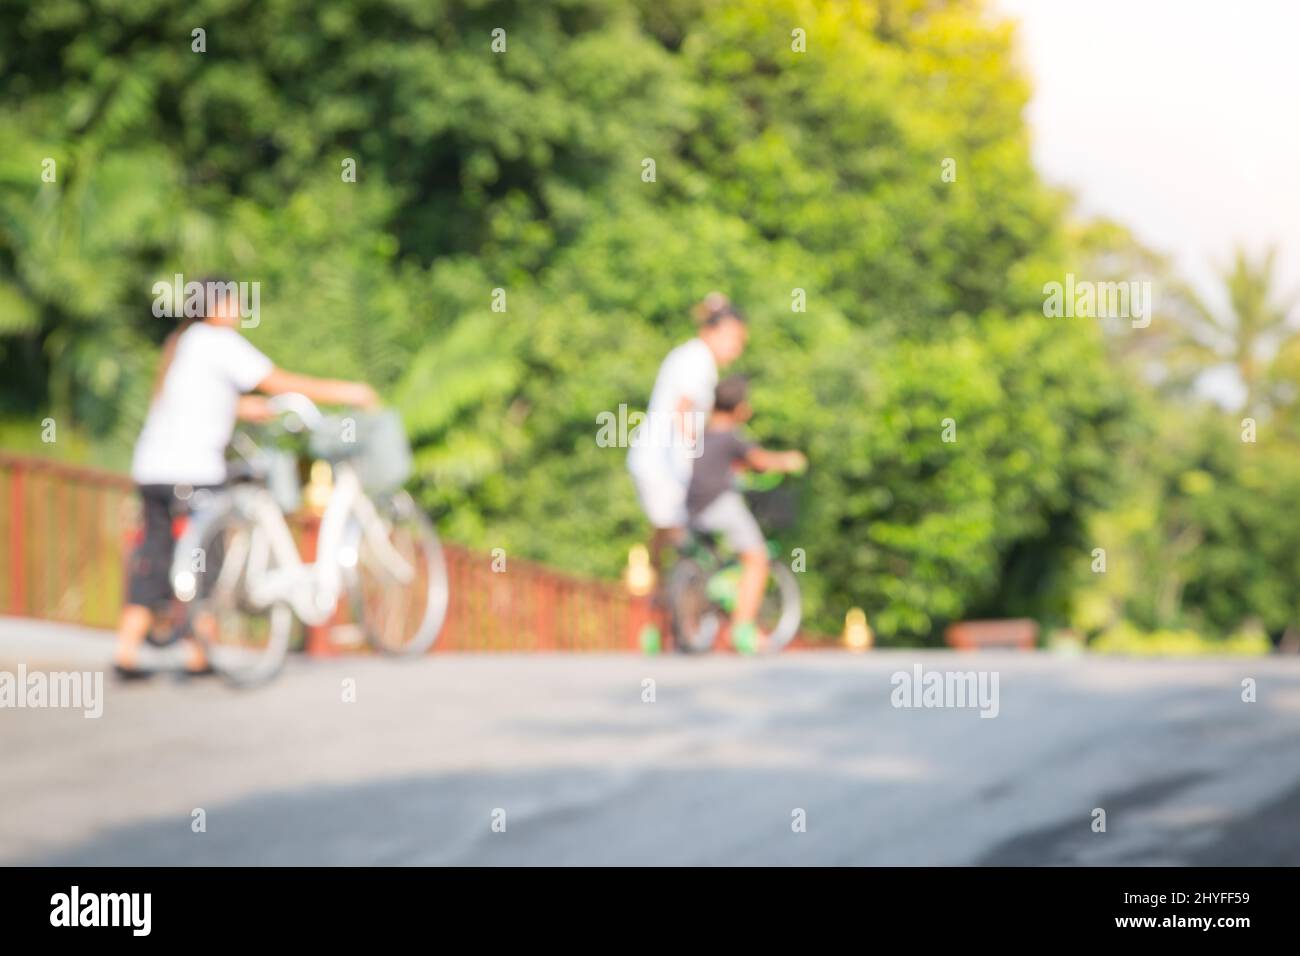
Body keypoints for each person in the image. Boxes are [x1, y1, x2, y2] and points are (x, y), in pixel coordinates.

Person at [113, 277, 379, 679]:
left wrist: (254, 409)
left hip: (153, 468)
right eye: (234, 301)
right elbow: (279, 381)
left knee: (155, 554)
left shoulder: (183, 344)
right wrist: (349, 392)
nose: (239, 309)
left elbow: (206, 401)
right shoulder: (218, 342)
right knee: (207, 557)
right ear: (217, 306)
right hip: (193, 469)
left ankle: (127, 652)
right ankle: (199, 652)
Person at [627, 293, 748, 579]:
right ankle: (672, 605)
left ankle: (657, 597)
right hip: (664, 466)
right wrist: (700, 456)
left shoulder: (692, 357)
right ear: (713, 331)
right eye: (735, 340)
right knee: (687, 541)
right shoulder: (698, 360)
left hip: (658, 463)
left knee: (666, 533)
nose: (737, 350)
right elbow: (682, 411)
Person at [685, 375, 805, 654]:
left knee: (713, 558)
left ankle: (695, 617)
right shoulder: (731, 436)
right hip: (720, 505)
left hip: (693, 507)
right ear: (741, 408)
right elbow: (760, 460)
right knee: (757, 558)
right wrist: (789, 460)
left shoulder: (703, 434)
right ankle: (743, 630)